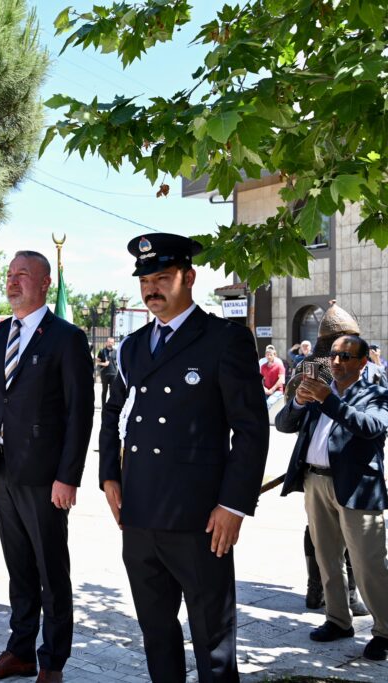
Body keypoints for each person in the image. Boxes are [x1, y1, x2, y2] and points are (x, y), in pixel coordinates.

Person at [99, 233, 269, 683]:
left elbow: (251, 429)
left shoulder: (222, 339)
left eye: (163, 278)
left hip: (200, 519)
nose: (152, 289)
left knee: (212, 640)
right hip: (138, 514)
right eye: (145, 281)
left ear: (188, 277)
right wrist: (108, 475)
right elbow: (113, 411)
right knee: (156, 632)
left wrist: (234, 505)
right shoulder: (132, 347)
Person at [0, 251, 94, 683]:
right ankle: (19, 651)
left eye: (22, 274)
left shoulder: (66, 337)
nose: (13, 281)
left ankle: (52, 662)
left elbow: (80, 413)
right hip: (1, 472)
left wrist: (69, 476)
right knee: (19, 567)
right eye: (9, 275)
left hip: (45, 478)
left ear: (45, 283)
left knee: (50, 571)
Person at [276, 334, 388, 661]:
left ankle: (384, 630)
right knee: (326, 557)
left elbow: (370, 427)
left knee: (369, 564)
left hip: (356, 488)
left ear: (363, 362)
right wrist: (298, 400)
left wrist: (328, 400)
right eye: (334, 356)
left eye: (347, 357)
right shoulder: (318, 392)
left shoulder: (376, 395)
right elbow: (283, 424)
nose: (337, 362)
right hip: (315, 482)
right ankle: (338, 620)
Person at [261, 344, 287, 410]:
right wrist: (265, 389)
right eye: (267, 355)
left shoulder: (279, 365)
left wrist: (271, 390)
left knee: (268, 403)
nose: (269, 356)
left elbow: (281, 380)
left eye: (270, 355)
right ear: (265, 355)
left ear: (274, 355)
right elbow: (261, 379)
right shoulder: (263, 366)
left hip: (277, 391)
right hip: (266, 390)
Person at [96, 337, 118, 408]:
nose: (110, 343)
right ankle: (103, 405)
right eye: (109, 342)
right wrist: (103, 364)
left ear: (113, 343)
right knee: (104, 390)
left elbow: (118, 362)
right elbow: (97, 361)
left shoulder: (116, 351)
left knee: (112, 391)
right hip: (105, 374)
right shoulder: (102, 351)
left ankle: (111, 405)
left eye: (112, 342)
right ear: (106, 342)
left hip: (113, 373)